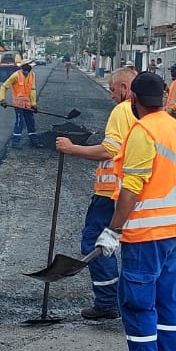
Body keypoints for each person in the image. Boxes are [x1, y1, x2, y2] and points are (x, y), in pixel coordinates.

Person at [95, 71, 176, 351]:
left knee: (138, 304)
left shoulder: (143, 132)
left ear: (134, 100)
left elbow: (132, 187)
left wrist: (113, 230)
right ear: (165, 98)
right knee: (166, 302)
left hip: (147, 234)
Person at [55, 66, 136, 322]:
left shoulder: (122, 110)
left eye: (113, 89)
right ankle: (132, 302)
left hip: (111, 193)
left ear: (124, 89)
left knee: (95, 242)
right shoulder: (147, 114)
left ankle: (107, 302)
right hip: (134, 192)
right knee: (133, 247)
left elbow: (109, 151)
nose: (111, 95)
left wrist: (72, 148)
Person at [0, 59, 40, 148]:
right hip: (18, 104)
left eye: (29, 66)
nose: (28, 68)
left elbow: (32, 90)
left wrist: (33, 104)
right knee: (19, 122)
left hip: (28, 104)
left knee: (31, 121)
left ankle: (33, 141)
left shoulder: (32, 76)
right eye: (26, 66)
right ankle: (15, 143)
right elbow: (4, 86)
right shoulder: (16, 75)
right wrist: (2, 99)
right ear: (22, 67)